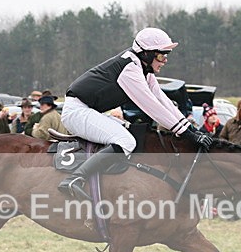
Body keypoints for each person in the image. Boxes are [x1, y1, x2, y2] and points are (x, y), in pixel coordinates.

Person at [57, 27, 212, 198]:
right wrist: (187, 134)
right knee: (126, 141)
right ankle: (75, 179)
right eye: (161, 55)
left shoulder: (143, 70)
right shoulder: (130, 70)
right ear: (147, 54)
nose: (165, 61)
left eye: (166, 55)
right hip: (77, 111)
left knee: (135, 135)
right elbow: (153, 107)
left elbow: (164, 101)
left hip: (88, 110)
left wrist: (192, 130)